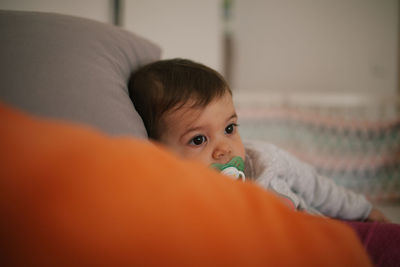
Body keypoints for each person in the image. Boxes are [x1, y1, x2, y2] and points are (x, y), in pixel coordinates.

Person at [128, 58, 388, 222]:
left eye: (229, 128)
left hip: (328, 240)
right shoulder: (181, 207)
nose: (224, 149)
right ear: (159, 153)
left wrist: (364, 212)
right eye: (198, 140)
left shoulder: (264, 159)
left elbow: (316, 187)